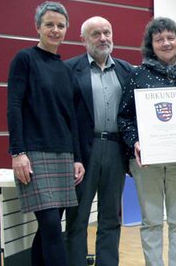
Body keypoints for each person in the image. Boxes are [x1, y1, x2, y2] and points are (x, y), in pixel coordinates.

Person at [117, 17, 176, 266]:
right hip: (147, 162)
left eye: (170, 38)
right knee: (151, 222)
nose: (166, 43)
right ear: (151, 45)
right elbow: (124, 117)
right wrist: (135, 142)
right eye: (159, 39)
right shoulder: (137, 75)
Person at [7, 1, 84, 266]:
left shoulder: (66, 70)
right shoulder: (25, 59)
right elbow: (14, 106)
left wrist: (76, 157)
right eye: (49, 24)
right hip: (34, 155)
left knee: (48, 228)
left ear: (67, 30)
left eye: (61, 25)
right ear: (37, 27)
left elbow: (71, 118)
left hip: (63, 154)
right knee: (51, 225)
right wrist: (18, 152)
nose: (55, 30)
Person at [65, 16, 133, 266]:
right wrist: (74, 157)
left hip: (115, 150)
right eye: (96, 34)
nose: (103, 38)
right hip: (84, 152)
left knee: (111, 217)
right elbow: (66, 118)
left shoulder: (127, 70)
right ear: (83, 39)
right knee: (78, 217)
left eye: (107, 32)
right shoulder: (70, 70)